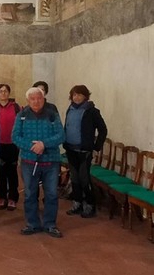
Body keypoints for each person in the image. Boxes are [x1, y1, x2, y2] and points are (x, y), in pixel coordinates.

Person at [12, 87, 65, 238]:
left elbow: (61, 135)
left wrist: (44, 144)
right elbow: (15, 137)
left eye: (39, 98)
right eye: (33, 99)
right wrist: (32, 147)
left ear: (43, 99)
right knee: (29, 194)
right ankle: (32, 224)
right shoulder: (21, 115)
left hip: (51, 162)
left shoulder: (52, 114)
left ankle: (50, 224)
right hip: (29, 162)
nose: (36, 101)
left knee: (52, 194)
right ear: (28, 101)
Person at [64, 85, 107, 218]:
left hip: (84, 151)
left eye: (79, 95)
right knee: (74, 177)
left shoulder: (92, 111)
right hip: (71, 149)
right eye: (74, 95)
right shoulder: (70, 109)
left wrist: (96, 147)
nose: (76, 97)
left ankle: (90, 205)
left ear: (85, 96)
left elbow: (103, 130)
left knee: (84, 178)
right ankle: (77, 203)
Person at [0, 84, 21, 211]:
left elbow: (20, 124)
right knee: (1, 172)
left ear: (9, 93)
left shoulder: (16, 107)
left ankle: (13, 198)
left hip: (13, 145)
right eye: (1, 91)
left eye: (5, 91)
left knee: (12, 172)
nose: (3, 93)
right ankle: (2, 198)